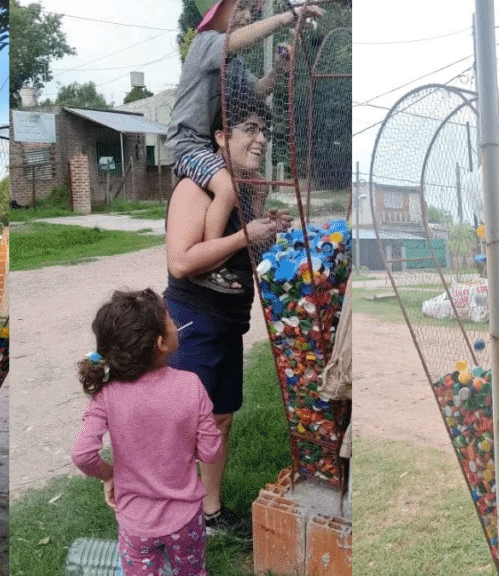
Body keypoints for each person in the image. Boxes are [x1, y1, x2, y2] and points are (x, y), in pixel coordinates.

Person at [164, 93, 290, 538]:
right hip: (192, 323)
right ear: (221, 136)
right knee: (184, 424)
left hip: (228, 325)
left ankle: (210, 511)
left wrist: (266, 231)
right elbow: (182, 261)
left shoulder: (244, 189)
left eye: (264, 131)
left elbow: (238, 253)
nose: (261, 139)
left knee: (220, 418)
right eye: (250, 129)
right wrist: (244, 237)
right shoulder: (195, 189)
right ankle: (168, 515)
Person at [167, 0, 320, 294]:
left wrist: (279, 70)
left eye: (252, 10)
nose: (248, 16)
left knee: (259, 186)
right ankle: (211, 266)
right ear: (216, 10)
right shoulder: (204, 43)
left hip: (207, 148)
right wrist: (287, 17)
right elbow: (233, 41)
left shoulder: (233, 65)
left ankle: (251, 238)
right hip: (189, 145)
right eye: (241, 8)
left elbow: (258, 91)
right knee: (227, 188)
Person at [71, 288, 223, 576]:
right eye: (171, 320)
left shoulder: (106, 394)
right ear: (160, 343)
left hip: (135, 523)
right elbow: (211, 452)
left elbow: (82, 455)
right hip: (186, 519)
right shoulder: (191, 385)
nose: (176, 324)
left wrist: (109, 475)